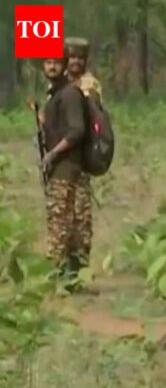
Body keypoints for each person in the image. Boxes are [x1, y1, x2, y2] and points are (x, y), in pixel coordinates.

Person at [38, 49, 90, 290]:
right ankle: (69, 279)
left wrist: (53, 154)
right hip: (60, 169)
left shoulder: (69, 94)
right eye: (48, 62)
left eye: (56, 63)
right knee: (69, 226)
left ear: (65, 66)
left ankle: (60, 280)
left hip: (66, 169)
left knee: (61, 226)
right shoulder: (56, 95)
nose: (52, 67)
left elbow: (77, 131)